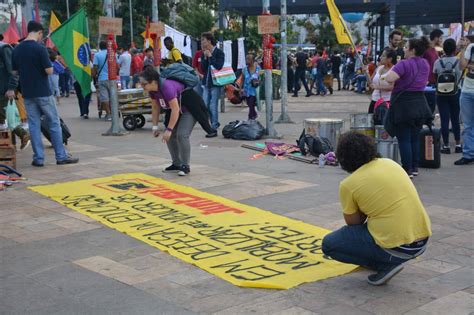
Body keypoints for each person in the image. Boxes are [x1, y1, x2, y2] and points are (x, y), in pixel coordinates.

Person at [322, 131, 431, 286]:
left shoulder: (348, 184)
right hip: (421, 240)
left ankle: (385, 265)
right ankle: (387, 261)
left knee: (329, 245)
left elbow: (354, 224)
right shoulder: (390, 163)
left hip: (397, 247)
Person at [12, 21, 78, 166]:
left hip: (27, 93)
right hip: (43, 91)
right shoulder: (40, 48)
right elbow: (49, 71)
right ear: (39, 32)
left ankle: (38, 158)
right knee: (54, 123)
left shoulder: (17, 49)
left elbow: (14, 72)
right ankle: (61, 156)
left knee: (34, 125)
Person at [382, 36, 433, 178]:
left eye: (406, 47)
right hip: (420, 104)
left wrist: (386, 74)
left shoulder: (403, 64)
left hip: (403, 105)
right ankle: (415, 167)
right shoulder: (425, 64)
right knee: (414, 138)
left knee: (404, 138)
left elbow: (389, 78)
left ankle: (407, 169)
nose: (404, 49)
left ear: (413, 50)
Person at [140, 67, 198, 176]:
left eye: (144, 84)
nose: (142, 87)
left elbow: (175, 109)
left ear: (153, 81)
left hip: (189, 109)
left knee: (182, 135)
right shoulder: (152, 90)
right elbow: (155, 107)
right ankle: (176, 164)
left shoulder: (166, 86)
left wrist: (169, 129)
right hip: (177, 110)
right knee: (170, 136)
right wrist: (155, 126)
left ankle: (185, 166)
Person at [0, 34, 30, 149]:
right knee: (3, 119)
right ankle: (11, 145)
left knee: (6, 117)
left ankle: (23, 135)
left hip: (5, 91)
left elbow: (13, 71)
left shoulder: (4, 48)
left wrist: (12, 88)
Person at [433, 38, 462, 154]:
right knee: (455, 119)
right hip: (456, 92)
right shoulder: (459, 61)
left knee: (444, 119)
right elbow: (461, 76)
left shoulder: (437, 62)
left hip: (441, 94)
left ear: (443, 49)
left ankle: (445, 146)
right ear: (455, 49)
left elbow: (435, 78)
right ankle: (458, 144)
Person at [455, 36, 474, 165]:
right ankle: (468, 154)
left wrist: (470, 64)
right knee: (467, 125)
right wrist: (462, 49)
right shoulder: (471, 47)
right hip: (467, 90)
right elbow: (462, 66)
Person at [200, 32, 224, 131]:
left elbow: (219, 66)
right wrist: (205, 58)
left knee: (213, 104)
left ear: (209, 40)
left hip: (216, 83)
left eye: (203, 40)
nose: (202, 42)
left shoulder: (219, 52)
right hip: (206, 82)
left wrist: (210, 56)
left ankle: (213, 125)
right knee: (205, 105)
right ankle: (214, 122)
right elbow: (203, 68)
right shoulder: (204, 52)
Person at [368, 48, 396, 113]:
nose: (380, 57)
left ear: (390, 59)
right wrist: (366, 72)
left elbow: (392, 87)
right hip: (374, 100)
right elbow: (370, 83)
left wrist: (377, 87)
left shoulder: (394, 70)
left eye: (383, 56)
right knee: (371, 121)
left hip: (387, 101)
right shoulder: (378, 68)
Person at [424, 29, 444, 113]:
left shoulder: (435, 50)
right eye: (441, 38)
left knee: (432, 105)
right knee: (428, 105)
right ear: (436, 38)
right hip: (427, 82)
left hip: (434, 81)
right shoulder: (426, 50)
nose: (442, 40)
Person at [92, 40, 112, 121]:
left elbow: (95, 67)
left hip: (102, 78)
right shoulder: (112, 54)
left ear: (100, 47)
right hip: (112, 79)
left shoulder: (97, 55)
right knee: (112, 96)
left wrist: (93, 76)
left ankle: (108, 114)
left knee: (104, 97)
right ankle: (113, 112)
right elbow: (117, 66)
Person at [241, 53, 261, 120]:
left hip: (255, 90)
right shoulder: (244, 69)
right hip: (247, 90)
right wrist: (240, 89)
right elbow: (242, 79)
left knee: (251, 104)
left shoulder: (258, 69)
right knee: (249, 104)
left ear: (252, 60)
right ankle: (254, 115)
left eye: (248, 59)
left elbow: (261, 78)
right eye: (246, 59)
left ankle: (250, 118)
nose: (247, 60)